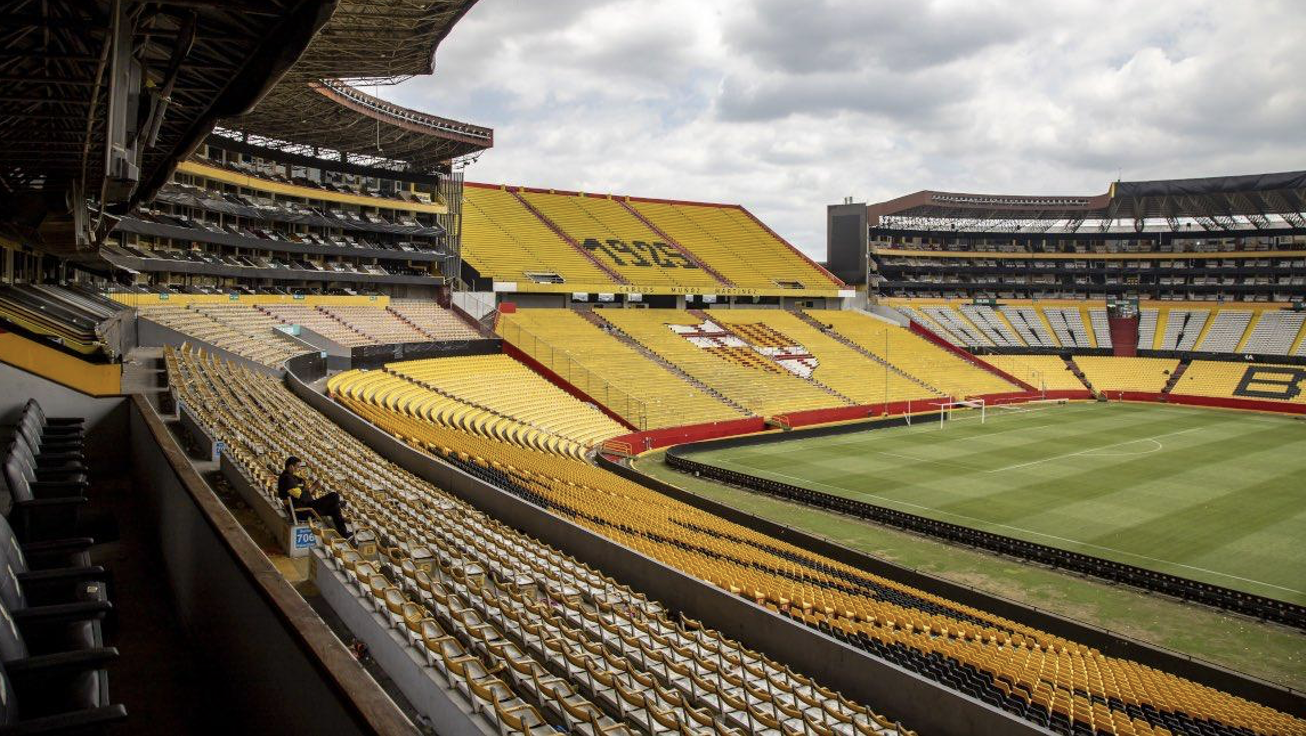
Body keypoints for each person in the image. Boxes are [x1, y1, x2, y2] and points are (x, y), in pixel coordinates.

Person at [277, 456, 348, 537]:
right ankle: (338, 503)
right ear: (291, 467)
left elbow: (303, 485)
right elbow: (301, 496)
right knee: (334, 495)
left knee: (334, 508)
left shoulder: (289, 477)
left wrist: (310, 470)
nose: (299, 469)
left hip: (305, 507)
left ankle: (344, 534)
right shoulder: (287, 479)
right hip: (304, 510)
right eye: (297, 467)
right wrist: (315, 486)